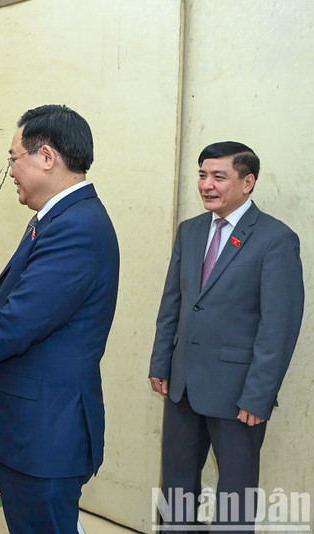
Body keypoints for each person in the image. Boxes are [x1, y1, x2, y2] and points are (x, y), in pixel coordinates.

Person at [0, 104, 120, 533]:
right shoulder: (58, 219)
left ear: (46, 157)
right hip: (34, 428)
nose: (10, 170)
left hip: (45, 433)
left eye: (14, 158)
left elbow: (17, 321)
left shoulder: (76, 227)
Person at [148, 141, 303, 530]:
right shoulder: (190, 231)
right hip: (182, 385)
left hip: (239, 395)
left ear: (248, 182)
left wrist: (259, 395)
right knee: (176, 489)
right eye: (202, 174)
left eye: (219, 176)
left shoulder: (275, 239)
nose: (206, 184)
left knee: (235, 498)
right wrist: (161, 362)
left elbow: (279, 327)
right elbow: (174, 304)